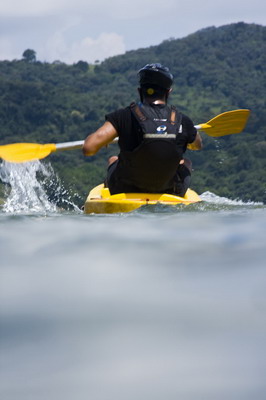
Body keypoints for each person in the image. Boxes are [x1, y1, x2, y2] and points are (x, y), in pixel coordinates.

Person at [83, 63, 202, 196]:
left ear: (140, 91)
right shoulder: (183, 120)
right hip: (170, 190)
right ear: (168, 92)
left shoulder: (123, 116)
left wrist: (102, 139)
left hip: (125, 190)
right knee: (185, 162)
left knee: (113, 159)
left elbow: (89, 148)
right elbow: (197, 145)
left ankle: (110, 186)